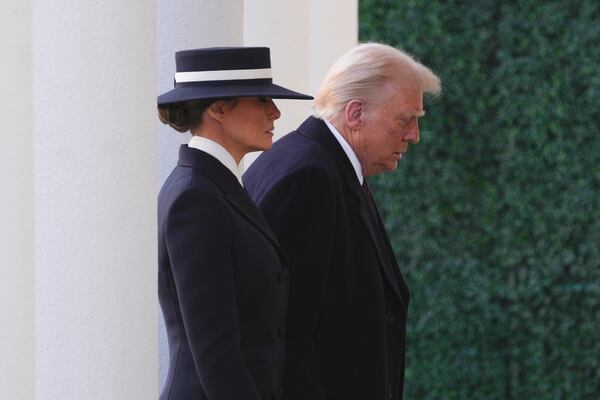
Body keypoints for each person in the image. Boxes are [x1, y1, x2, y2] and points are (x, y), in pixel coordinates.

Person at [243, 43, 441, 400]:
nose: (414, 135)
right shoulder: (309, 177)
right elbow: (281, 332)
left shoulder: (331, 166)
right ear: (355, 113)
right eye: (403, 119)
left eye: (417, 120)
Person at [157, 47, 312, 400]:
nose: (275, 111)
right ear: (219, 109)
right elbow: (216, 353)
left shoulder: (215, 186)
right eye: (262, 100)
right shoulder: (196, 197)